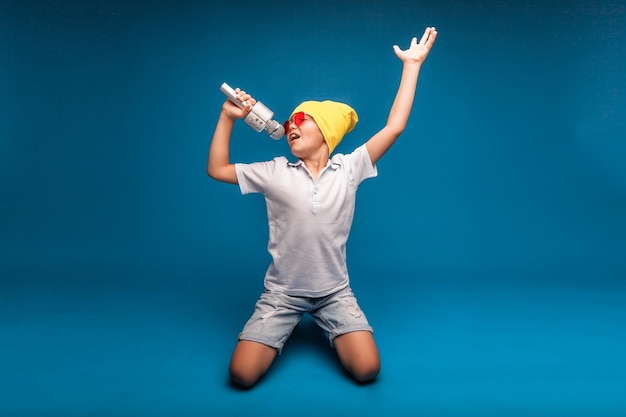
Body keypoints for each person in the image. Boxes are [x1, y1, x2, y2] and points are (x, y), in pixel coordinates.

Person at [207, 27, 437, 388]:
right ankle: (288, 321)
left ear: (327, 133)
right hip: (281, 293)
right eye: (288, 123)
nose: (290, 126)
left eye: (301, 120)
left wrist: (412, 67)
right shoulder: (274, 172)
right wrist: (227, 117)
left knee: (367, 370)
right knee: (241, 375)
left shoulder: (350, 167)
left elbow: (394, 127)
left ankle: (327, 322)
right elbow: (217, 169)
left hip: (334, 291)